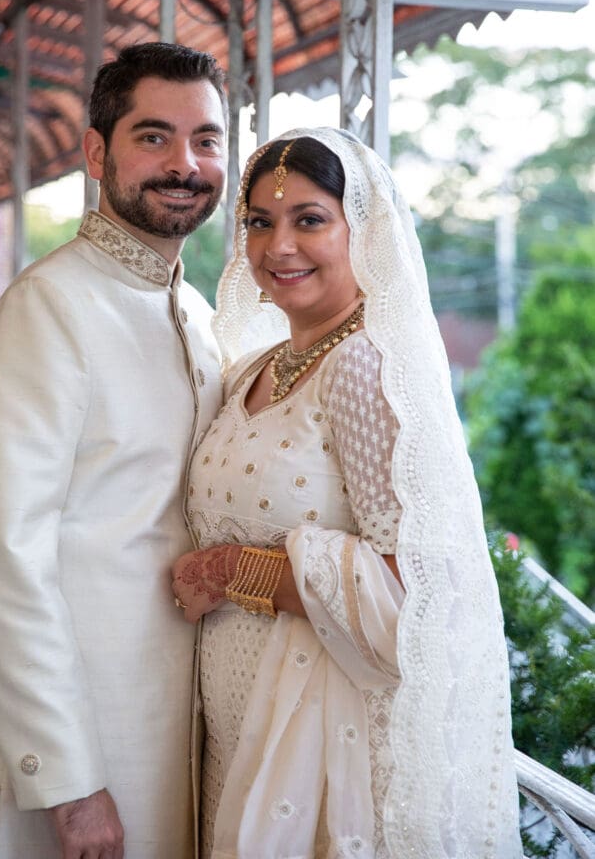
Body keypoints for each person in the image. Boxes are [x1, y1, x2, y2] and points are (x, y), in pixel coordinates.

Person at [172, 128, 523, 858]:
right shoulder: (256, 367)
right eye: (259, 222)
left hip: (325, 746)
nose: (279, 247)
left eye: (309, 219)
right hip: (239, 721)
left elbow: (412, 596)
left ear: (363, 231)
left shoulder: (363, 368)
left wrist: (235, 571)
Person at [0, 42, 228, 859]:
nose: (184, 164)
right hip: (77, 756)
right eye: (154, 136)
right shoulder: (46, 308)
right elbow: (4, 559)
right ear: (97, 153)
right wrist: (68, 784)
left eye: (205, 140)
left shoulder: (200, 317)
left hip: (179, 738)